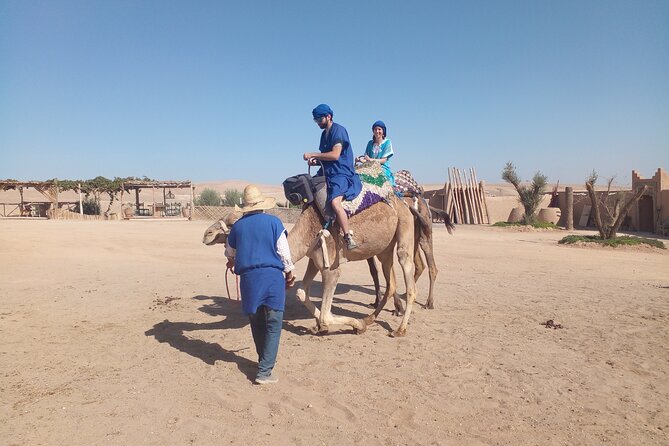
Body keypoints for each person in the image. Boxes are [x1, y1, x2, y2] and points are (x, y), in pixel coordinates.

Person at [224, 185, 296, 385]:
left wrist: (233, 259)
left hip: (249, 280)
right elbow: (283, 252)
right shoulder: (274, 222)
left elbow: (229, 253)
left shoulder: (237, 227)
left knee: (257, 323)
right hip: (272, 278)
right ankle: (265, 371)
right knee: (274, 324)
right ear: (263, 205)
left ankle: (262, 363)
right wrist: (290, 271)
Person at [303, 104, 362, 250]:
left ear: (328, 117)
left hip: (341, 172)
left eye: (319, 119)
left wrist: (313, 154)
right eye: (315, 120)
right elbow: (326, 157)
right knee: (307, 188)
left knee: (335, 202)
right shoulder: (324, 134)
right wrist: (315, 161)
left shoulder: (338, 131)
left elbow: (335, 155)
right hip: (328, 171)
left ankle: (348, 236)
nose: (317, 122)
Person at [357, 120, 396, 187]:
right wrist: (360, 160)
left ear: (383, 131)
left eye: (379, 129)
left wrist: (370, 160)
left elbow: (383, 160)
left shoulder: (387, 142)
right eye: (375, 129)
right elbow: (366, 159)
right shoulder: (370, 143)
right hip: (369, 166)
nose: (377, 131)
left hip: (382, 167)